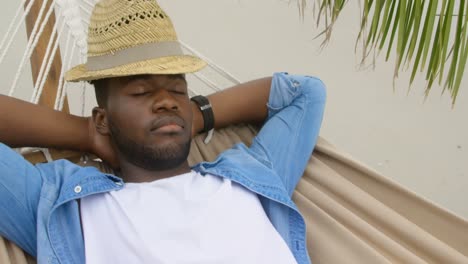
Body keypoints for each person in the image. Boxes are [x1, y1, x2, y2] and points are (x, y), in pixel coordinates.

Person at [0, 0, 326, 263]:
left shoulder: (252, 177)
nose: (166, 102)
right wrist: (88, 134)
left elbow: (305, 92)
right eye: (142, 92)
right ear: (103, 118)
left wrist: (195, 116)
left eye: (178, 91)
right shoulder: (67, 209)